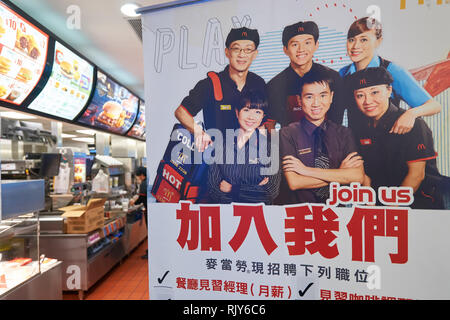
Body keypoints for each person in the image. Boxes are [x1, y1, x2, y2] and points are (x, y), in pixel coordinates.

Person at [347, 67, 444, 209]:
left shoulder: (413, 123)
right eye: (360, 95)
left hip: (417, 204)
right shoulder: (359, 127)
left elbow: (416, 175)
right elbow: (364, 172)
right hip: (379, 202)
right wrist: (370, 204)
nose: (367, 101)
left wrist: (391, 209)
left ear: (389, 91)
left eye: (374, 92)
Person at [339, 17, 441, 134]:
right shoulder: (342, 74)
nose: (355, 46)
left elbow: (434, 106)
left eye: (363, 40)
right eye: (351, 40)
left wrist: (411, 114)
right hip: (356, 147)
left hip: (389, 144)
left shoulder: (393, 71)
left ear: (378, 41)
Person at [174, 27, 267, 152]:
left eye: (248, 49)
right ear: (227, 52)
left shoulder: (259, 83)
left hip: (249, 159)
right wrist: (199, 133)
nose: (242, 54)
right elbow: (181, 112)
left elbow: (262, 122)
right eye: (236, 48)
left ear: (255, 54)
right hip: (217, 158)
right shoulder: (209, 84)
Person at [280, 69, 364, 204]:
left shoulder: (344, 133)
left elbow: (357, 177)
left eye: (323, 95)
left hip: (338, 214)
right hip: (301, 213)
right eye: (309, 97)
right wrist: (340, 173)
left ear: (331, 97)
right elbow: (295, 182)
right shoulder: (287, 133)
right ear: (299, 100)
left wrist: (305, 171)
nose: (316, 103)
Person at [267, 20, 344, 129]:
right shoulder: (274, 85)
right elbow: (270, 126)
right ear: (285, 49)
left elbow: (337, 124)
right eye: (294, 44)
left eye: (307, 43)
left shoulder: (333, 78)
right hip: (290, 144)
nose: (301, 49)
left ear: (316, 45)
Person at [207, 90, 280, 204]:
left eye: (257, 112)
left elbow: (270, 192)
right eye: (246, 110)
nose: (251, 117)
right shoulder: (221, 146)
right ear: (237, 112)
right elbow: (213, 189)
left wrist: (233, 189)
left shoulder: (269, 149)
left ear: (262, 117)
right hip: (226, 214)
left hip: (258, 215)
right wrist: (254, 190)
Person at [129, 166, 148, 258]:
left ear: (141, 175)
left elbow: (142, 198)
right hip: (149, 209)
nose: (137, 178)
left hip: (149, 210)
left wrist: (133, 202)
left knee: (150, 231)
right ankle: (151, 250)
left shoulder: (144, 183)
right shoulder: (148, 181)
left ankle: (151, 252)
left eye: (137, 176)